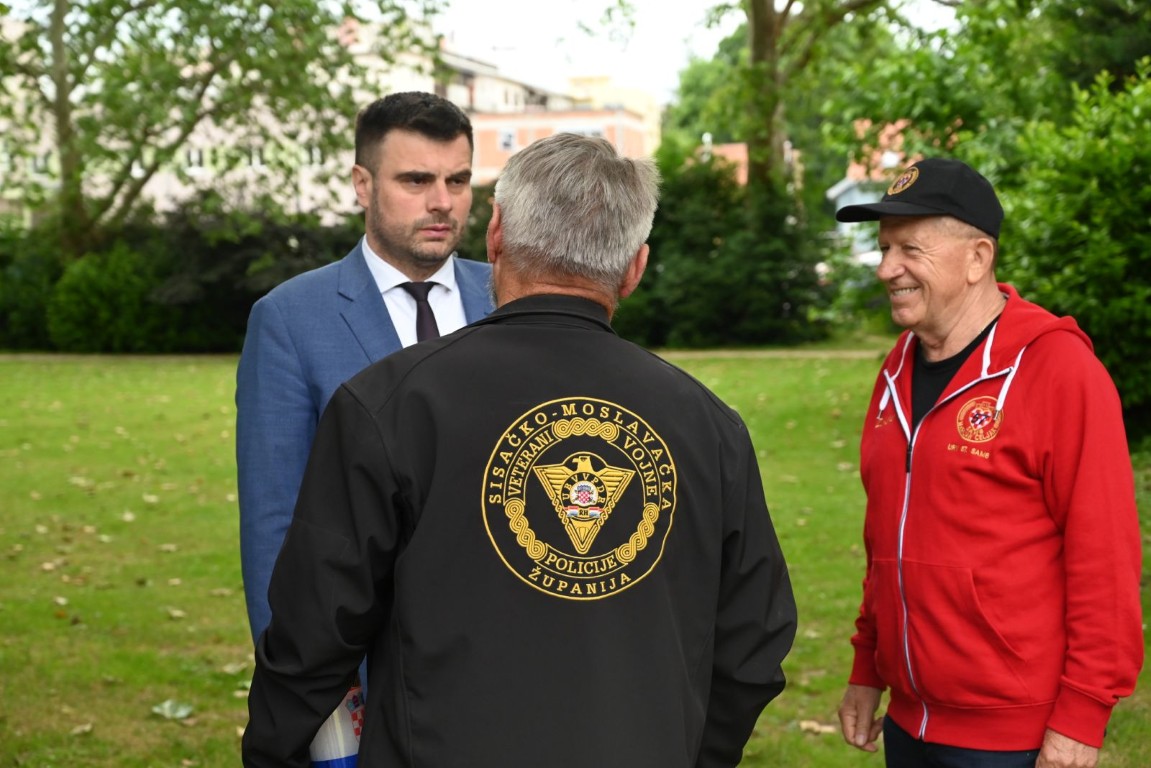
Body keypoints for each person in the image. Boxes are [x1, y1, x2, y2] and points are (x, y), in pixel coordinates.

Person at [241, 133, 798, 768]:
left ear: (496, 234)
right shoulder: (710, 426)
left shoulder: (390, 404)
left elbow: (314, 632)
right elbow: (754, 643)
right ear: (635, 266)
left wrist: (272, 750)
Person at [834, 158, 1143, 768]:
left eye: (910, 249)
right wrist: (868, 666)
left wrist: (1083, 716)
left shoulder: (1058, 370)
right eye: (885, 248)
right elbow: (885, 540)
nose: (886, 267)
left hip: (1013, 737)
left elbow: (1104, 558)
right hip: (907, 724)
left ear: (978, 258)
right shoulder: (896, 370)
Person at [236, 92, 494, 646]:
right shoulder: (289, 319)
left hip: (502, 647)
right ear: (363, 185)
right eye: (416, 180)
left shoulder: (509, 298)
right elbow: (273, 518)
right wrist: (302, 675)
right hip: (366, 653)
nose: (442, 202)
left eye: (457, 181)